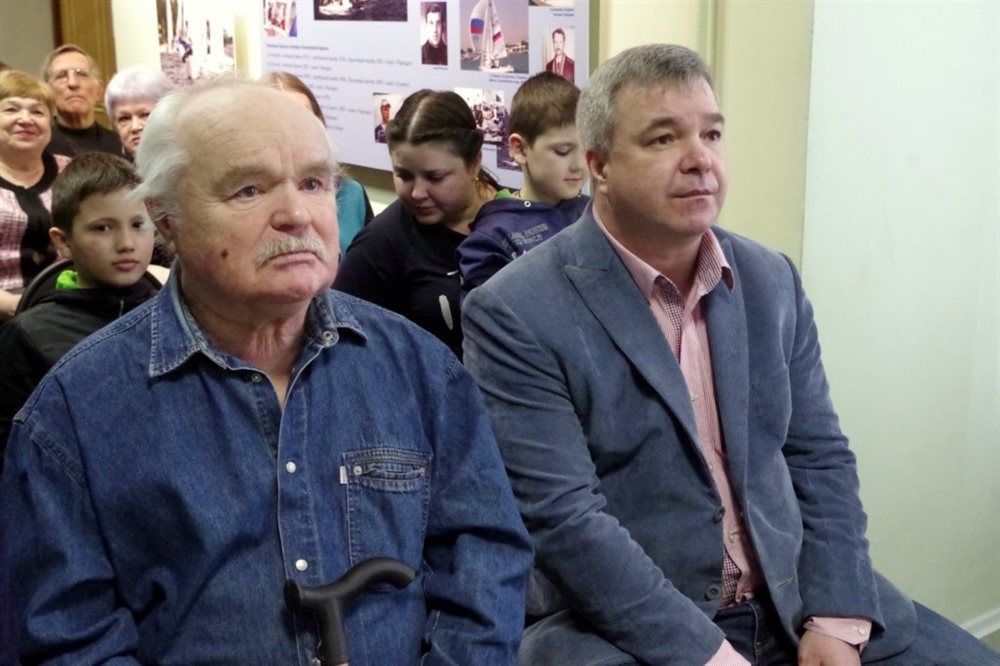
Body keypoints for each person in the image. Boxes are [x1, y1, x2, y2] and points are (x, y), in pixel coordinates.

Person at [462, 44, 1000, 665]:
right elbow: (565, 519)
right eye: (664, 139)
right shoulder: (516, 309)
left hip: (794, 598)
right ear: (600, 164)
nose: (700, 159)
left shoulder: (770, 278)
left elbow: (819, 456)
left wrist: (835, 619)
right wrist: (709, 655)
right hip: (632, 626)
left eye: (712, 133)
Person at [0, 78, 531, 664]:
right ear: (165, 219)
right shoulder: (76, 413)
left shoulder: (420, 369)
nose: (297, 215)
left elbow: (485, 558)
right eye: (248, 189)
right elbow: (66, 639)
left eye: (313, 183)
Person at [0, 152, 158, 467]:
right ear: (62, 241)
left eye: (138, 224)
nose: (126, 243)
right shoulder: (29, 337)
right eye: (103, 228)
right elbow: (13, 456)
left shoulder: (175, 314)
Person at [335, 89, 500, 359]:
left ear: (475, 163)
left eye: (435, 178)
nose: (417, 193)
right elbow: (338, 339)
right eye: (404, 175)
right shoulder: (379, 245)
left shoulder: (511, 212)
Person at [459, 72, 588, 293]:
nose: (579, 165)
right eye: (562, 151)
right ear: (520, 149)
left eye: (586, 149)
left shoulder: (594, 211)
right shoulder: (493, 238)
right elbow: (485, 311)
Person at [262, 71, 374, 252]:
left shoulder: (351, 194)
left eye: (305, 118)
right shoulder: (248, 203)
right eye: (279, 122)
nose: (295, 132)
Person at [0, 70, 72, 321]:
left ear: (51, 123)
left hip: (71, 303)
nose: (25, 119)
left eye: (38, 112)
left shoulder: (72, 170)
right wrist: (15, 305)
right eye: (11, 109)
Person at [40, 44, 122, 157]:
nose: (72, 83)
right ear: (48, 91)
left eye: (82, 74)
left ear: (98, 90)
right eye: (61, 76)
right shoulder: (38, 146)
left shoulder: (120, 145)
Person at [104, 65, 174, 161]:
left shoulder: (190, 165)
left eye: (145, 115)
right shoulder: (111, 167)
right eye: (124, 119)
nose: (135, 127)